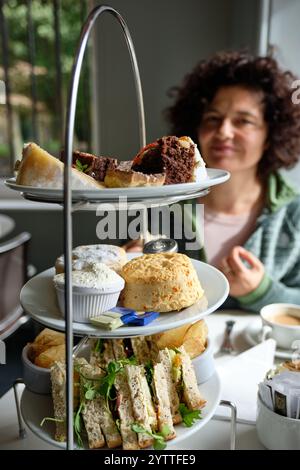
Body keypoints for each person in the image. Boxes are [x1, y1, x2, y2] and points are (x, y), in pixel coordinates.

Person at [164, 51, 300, 313]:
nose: (224, 132)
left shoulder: (294, 216)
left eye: (243, 121)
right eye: (213, 119)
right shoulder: (159, 204)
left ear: (271, 135)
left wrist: (261, 291)